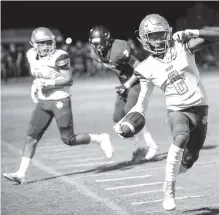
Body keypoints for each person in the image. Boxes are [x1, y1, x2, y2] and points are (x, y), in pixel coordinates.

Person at [114, 14, 219, 211]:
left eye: (161, 34)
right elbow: (141, 103)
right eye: (153, 36)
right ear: (145, 39)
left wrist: (193, 32)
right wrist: (127, 121)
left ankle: (171, 176)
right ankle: (169, 188)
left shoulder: (183, 46)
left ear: (168, 33)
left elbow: (217, 35)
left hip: (200, 108)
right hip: (177, 110)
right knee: (181, 136)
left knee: (191, 158)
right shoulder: (146, 68)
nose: (158, 39)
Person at [3, 27, 114, 184]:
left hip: (60, 99)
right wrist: (36, 85)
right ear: (33, 44)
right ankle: (21, 173)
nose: (46, 46)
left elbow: (68, 79)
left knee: (68, 139)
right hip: (43, 101)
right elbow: (39, 74)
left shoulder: (60, 56)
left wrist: (48, 83)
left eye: (48, 42)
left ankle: (101, 139)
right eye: (41, 43)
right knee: (31, 138)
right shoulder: (30, 55)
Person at [89, 25, 158, 162]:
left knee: (130, 112)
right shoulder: (95, 53)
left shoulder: (118, 49)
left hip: (139, 80)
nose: (97, 47)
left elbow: (139, 67)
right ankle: (139, 146)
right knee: (117, 117)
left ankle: (151, 145)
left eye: (99, 43)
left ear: (107, 40)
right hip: (125, 82)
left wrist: (127, 84)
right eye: (94, 44)